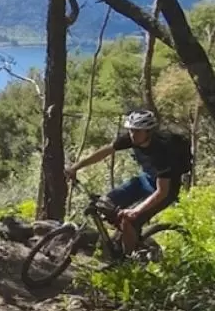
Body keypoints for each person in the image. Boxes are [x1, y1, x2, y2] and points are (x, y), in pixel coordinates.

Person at [65, 109, 192, 255]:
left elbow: (161, 192)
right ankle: (125, 238)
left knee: (130, 220)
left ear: (148, 132)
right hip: (144, 180)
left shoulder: (163, 152)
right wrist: (76, 167)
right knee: (105, 203)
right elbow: (104, 152)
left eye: (137, 131)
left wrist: (135, 211)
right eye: (131, 130)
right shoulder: (131, 139)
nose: (133, 134)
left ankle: (127, 262)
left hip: (164, 190)